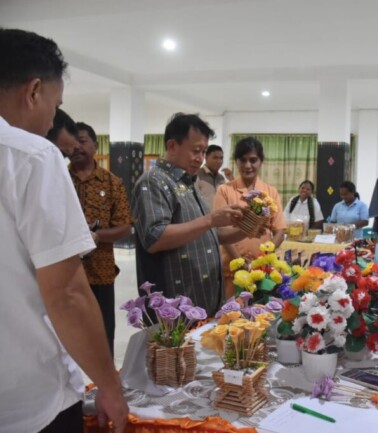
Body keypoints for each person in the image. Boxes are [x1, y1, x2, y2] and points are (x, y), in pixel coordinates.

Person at [0, 28, 127, 433]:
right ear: (34, 91)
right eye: (55, 107)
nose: (54, 121)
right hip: (31, 398)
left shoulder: (109, 181)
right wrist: (109, 385)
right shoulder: (30, 156)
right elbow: (67, 294)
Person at [131, 113, 245, 316]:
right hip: (175, 307)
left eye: (203, 152)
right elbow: (155, 238)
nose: (200, 158)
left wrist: (247, 229)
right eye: (195, 151)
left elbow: (207, 234)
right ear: (172, 145)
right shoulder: (153, 181)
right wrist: (210, 220)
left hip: (204, 299)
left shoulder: (188, 182)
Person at [69, 121, 132, 357]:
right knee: (67, 331)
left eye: (82, 141)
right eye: (72, 142)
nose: (76, 146)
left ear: (96, 145)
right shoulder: (58, 178)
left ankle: (103, 375)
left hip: (100, 271)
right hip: (65, 272)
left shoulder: (111, 182)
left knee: (103, 332)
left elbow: (125, 227)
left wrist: (96, 236)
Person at [214, 136, 287, 298]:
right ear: (236, 161)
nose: (248, 165)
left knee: (262, 312)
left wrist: (262, 260)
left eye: (253, 160)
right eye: (243, 160)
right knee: (233, 312)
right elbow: (221, 232)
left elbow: (280, 231)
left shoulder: (271, 192)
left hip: (264, 273)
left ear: (261, 161)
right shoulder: (224, 191)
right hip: (233, 272)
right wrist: (241, 263)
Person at [196, 144, 233, 210]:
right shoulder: (197, 175)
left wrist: (231, 179)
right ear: (206, 158)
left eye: (221, 158)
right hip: (203, 216)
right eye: (215, 158)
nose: (219, 161)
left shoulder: (221, 178)